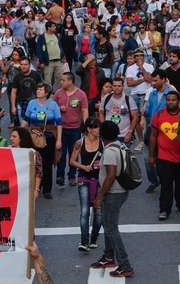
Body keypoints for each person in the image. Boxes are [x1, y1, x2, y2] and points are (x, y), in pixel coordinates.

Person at [90, 121, 134, 278]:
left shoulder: (109, 151)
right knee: (108, 224)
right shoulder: (120, 145)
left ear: (103, 135)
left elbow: (110, 175)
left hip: (113, 193)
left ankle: (125, 265)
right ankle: (109, 256)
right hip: (121, 191)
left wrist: (99, 196)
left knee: (110, 228)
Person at [149, 91, 180, 220]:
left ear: (178, 101)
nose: (170, 102)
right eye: (168, 100)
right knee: (166, 184)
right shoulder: (159, 115)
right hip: (164, 157)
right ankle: (164, 209)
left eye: (173, 100)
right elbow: (153, 135)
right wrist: (152, 155)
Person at [70, 117, 104, 252]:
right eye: (95, 127)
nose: (98, 129)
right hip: (84, 179)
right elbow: (72, 161)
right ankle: (84, 241)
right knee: (85, 211)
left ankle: (94, 239)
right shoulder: (80, 143)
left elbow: (108, 160)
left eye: (98, 127)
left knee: (99, 212)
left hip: (100, 180)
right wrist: (84, 167)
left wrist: (101, 164)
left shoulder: (103, 143)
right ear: (89, 129)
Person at [24, 83, 62, 199]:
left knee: (47, 163)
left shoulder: (53, 105)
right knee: (33, 163)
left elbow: (59, 124)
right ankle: (35, 187)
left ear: (46, 93)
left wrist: (59, 140)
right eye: (37, 89)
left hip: (49, 137)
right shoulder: (31, 103)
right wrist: (20, 133)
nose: (38, 91)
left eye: (40, 90)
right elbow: (26, 120)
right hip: (33, 137)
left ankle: (47, 190)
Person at [54, 72, 88, 187]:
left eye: (63, 80)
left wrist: (86, 125)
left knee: (74, 153)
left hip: (75, 129)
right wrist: (59, 108)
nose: (61, 82)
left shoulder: (81, 94)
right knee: (61, 153)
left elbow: (84, 110)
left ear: (70, 81)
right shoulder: (58, 93)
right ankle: (60, 176)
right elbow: (51, 107)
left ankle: (72, 176)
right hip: (61, 129)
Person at [10, 127, 43, 200]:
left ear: (22, 138)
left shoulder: (34, 153)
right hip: (12, 188)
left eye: (14, 136)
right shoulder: (9, 151)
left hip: (27, 188)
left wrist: (36, 190)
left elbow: (38, 173)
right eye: (11, 136)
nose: (11, 138)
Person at [10, 56, 43, 127]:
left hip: (35, 103)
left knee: (36, 125)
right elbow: (13, 92)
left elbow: (41, 89)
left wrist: (42, 102)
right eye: (21, 64)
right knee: (24, 126)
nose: (23, 66)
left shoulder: (36, 74)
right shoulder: (17, 76)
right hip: (21, 104)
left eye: (25, 64)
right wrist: (13, 106)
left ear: (29, 65)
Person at [36, 21, 65, 88]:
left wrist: (63, 56)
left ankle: (59, 95)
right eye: (53, 26)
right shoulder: (42, 37)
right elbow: (39, 50)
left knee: (60, 80)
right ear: (49, 28)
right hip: (48, 62)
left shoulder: (56, 35)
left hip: (58, 61)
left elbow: (59, 46)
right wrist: (41, 61)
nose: (55, 28)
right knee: (47, 81)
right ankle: (48, 96)